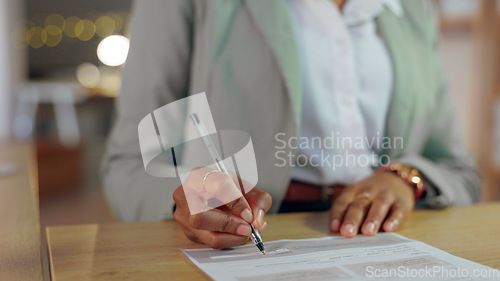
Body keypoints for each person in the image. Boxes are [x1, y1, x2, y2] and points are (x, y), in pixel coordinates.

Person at [102, 0, 481, 249]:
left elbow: (458, 171)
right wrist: (184, 199)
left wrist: (403, 179)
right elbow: (129, 166)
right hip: (251, 241)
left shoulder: (413, 9)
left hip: (387, 239)